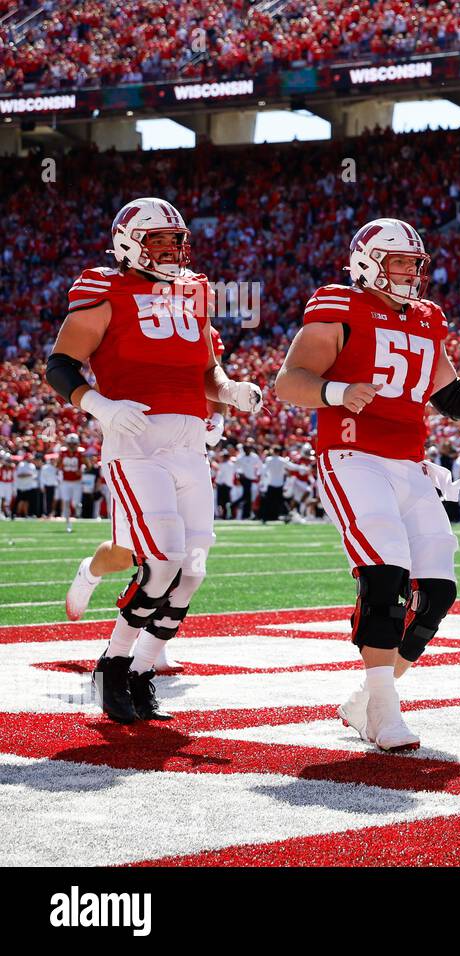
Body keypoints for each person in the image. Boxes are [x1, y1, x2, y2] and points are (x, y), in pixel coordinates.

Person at [276, 217, 460, 753]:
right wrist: (335, 392)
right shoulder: (339, 305)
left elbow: (451, 398)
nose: (407, 272)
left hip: (409, 464)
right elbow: (290, 381)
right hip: (353, 456)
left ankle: (366, 700)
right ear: (366, 263)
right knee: (385, 573)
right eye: (396, 261)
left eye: (412, 263)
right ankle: (385, 711)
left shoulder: (427, 319)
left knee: (438, 592)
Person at [45, 197, 263, 723]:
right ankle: (112, 665)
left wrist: (229, 391)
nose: (170, 250)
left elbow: (206, 369)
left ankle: (142, 670)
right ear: (127, 243)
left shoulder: (195, 289)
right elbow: (60, 365)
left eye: (174, 241)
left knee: (191, 569)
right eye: (157, 241)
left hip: (189, 443)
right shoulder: (104, 288)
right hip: (136, 441)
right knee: (161, 560)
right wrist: (97, 404)